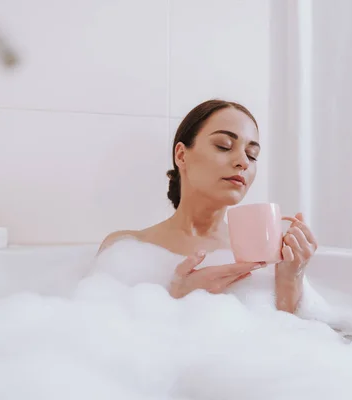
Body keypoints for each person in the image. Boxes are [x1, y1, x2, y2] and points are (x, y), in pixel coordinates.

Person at [97, 99, 318, 314]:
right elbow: (103, 335)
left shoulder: (264, 253)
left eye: (252, 155)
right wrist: (176, 298)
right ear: (181, 155)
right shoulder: (124, 249)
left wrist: (291, 279)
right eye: (224, 146)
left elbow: (288, 337)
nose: (243, 161)